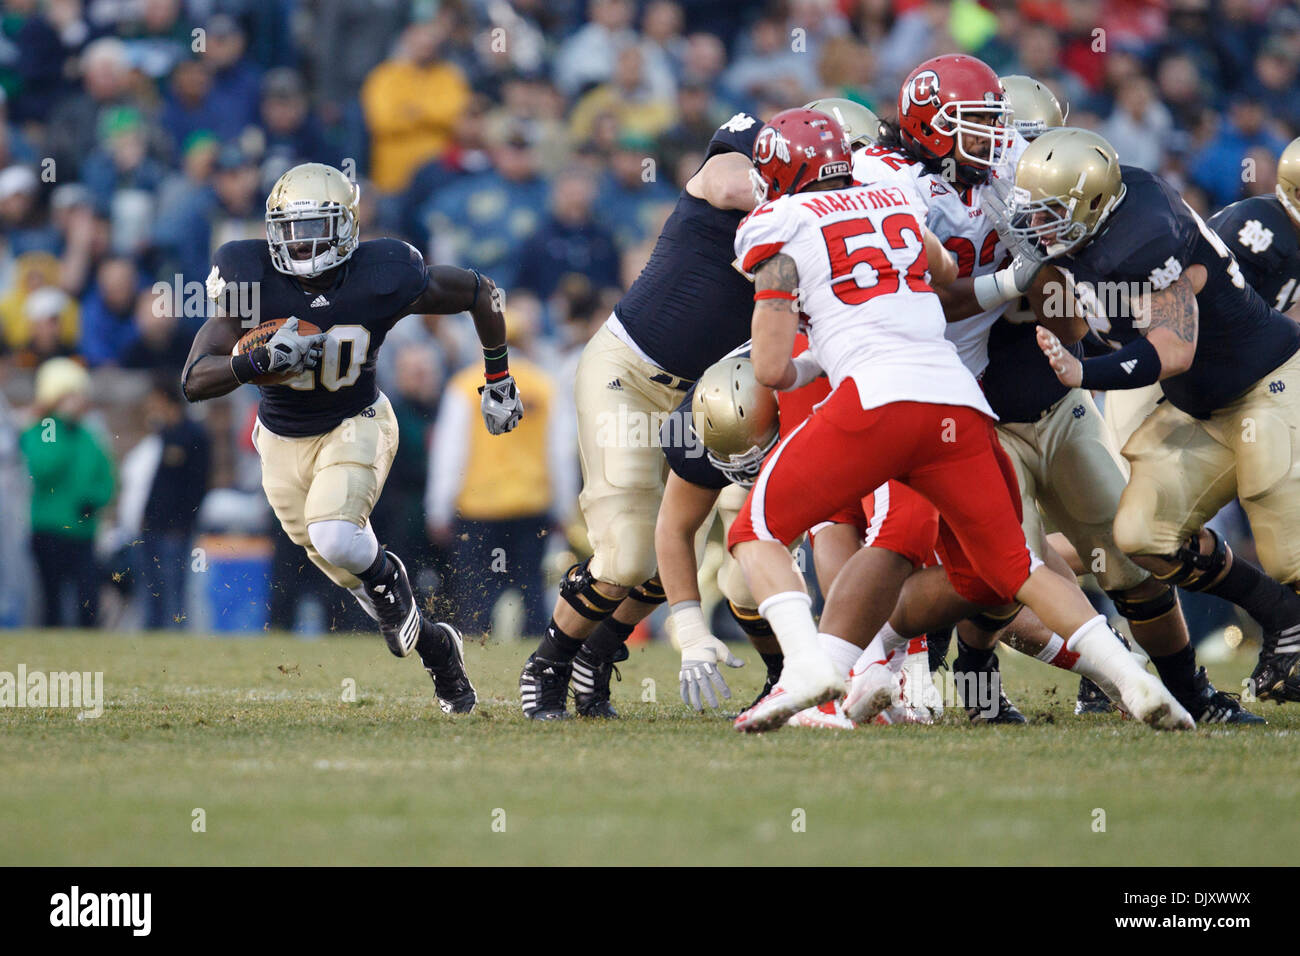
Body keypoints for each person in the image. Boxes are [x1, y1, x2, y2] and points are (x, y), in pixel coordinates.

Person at [726, 107, 1190, 733]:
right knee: (1012, 568)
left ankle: (809, 663)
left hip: (876, 399)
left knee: (756, 530)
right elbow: (944, 274)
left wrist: (816, 359)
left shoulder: (777, 222)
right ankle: (1131, 679)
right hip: (958, 399)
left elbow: (773, 369)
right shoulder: (894, 198)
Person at [180, 162, 520, 715]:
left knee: (340, 538)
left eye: (315, 227)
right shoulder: (249, 275)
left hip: (356, 421)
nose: (301, 241)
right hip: (280, 439)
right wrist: (256, 361)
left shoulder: (384, 273)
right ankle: (440, 649)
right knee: (358, 580)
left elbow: (482, 292)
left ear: (346, 228)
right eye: (290, 228)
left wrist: (498, 375)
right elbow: (194, 380)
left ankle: (393, 579)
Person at [1016, 128, 1300, 706]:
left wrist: (1082, 373)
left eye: (1050, 213)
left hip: (1267, 382)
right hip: (1199, 405)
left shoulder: (1143, 238)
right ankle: (1281, 614)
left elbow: (1175, 350)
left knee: (1285, 541)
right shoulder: (1096, 231)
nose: (1037, 225)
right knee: (1139, 537)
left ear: (1092, 206)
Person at [516, 110, 764, 720]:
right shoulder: (741, 162)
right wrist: (802, 194)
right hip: (628, 374)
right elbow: (733, 182)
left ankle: (598, 650)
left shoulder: (820, 221)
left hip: (703, 395)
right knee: (627, 553)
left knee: (676, 545)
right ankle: (547, 660)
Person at [19, 358, 115, 628]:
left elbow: (106, 476)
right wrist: (59, 425)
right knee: (52, 602)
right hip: (49, 528)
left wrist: (94, 499)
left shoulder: (88, 435)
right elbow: (43, 467)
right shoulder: (45, 429)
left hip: (82, 531)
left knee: (88, 599)